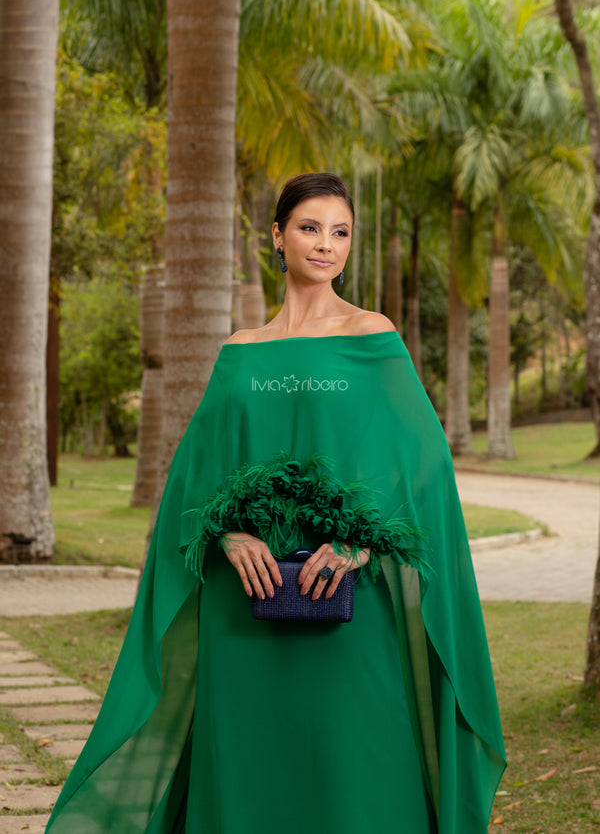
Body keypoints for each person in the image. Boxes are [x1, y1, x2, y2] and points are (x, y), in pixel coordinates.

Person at [46, 172, 505, 834]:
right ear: (277, 237)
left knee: (357, 768)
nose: (326, 245)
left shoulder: (372, 336)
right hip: (243, 613)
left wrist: (361, 541)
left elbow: (423, 466)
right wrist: (227, 535)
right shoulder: (239, 352)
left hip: (347, 600)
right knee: (247, 773)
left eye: (340, 232)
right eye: (310, 228)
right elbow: (194, 479)